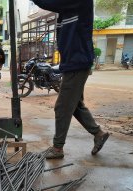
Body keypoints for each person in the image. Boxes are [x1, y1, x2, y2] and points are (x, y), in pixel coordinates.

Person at [30, 0, 109, 159]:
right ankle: (98, 133)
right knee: (75, 105)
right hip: (72, 63)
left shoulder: (77, 2)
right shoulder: (67, 9)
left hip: (77, 63)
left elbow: (49, 3)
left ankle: (57, 148)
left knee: (62, 107)